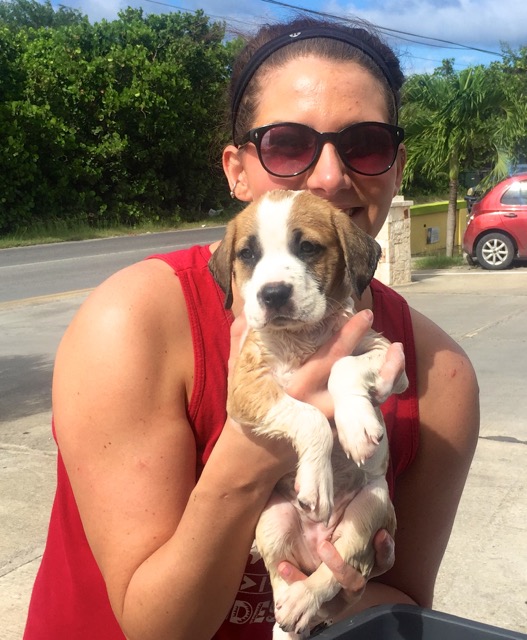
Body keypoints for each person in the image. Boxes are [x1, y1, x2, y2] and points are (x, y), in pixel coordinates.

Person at [24, 15, 479, 640]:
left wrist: (337, 576)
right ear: (237, 169)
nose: (327, 176)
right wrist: (266, 446)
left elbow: (397, 605)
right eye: (287, 144)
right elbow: (158, 629)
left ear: (397, 167)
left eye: (365, 144)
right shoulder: (127, 326)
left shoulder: (441, 375)